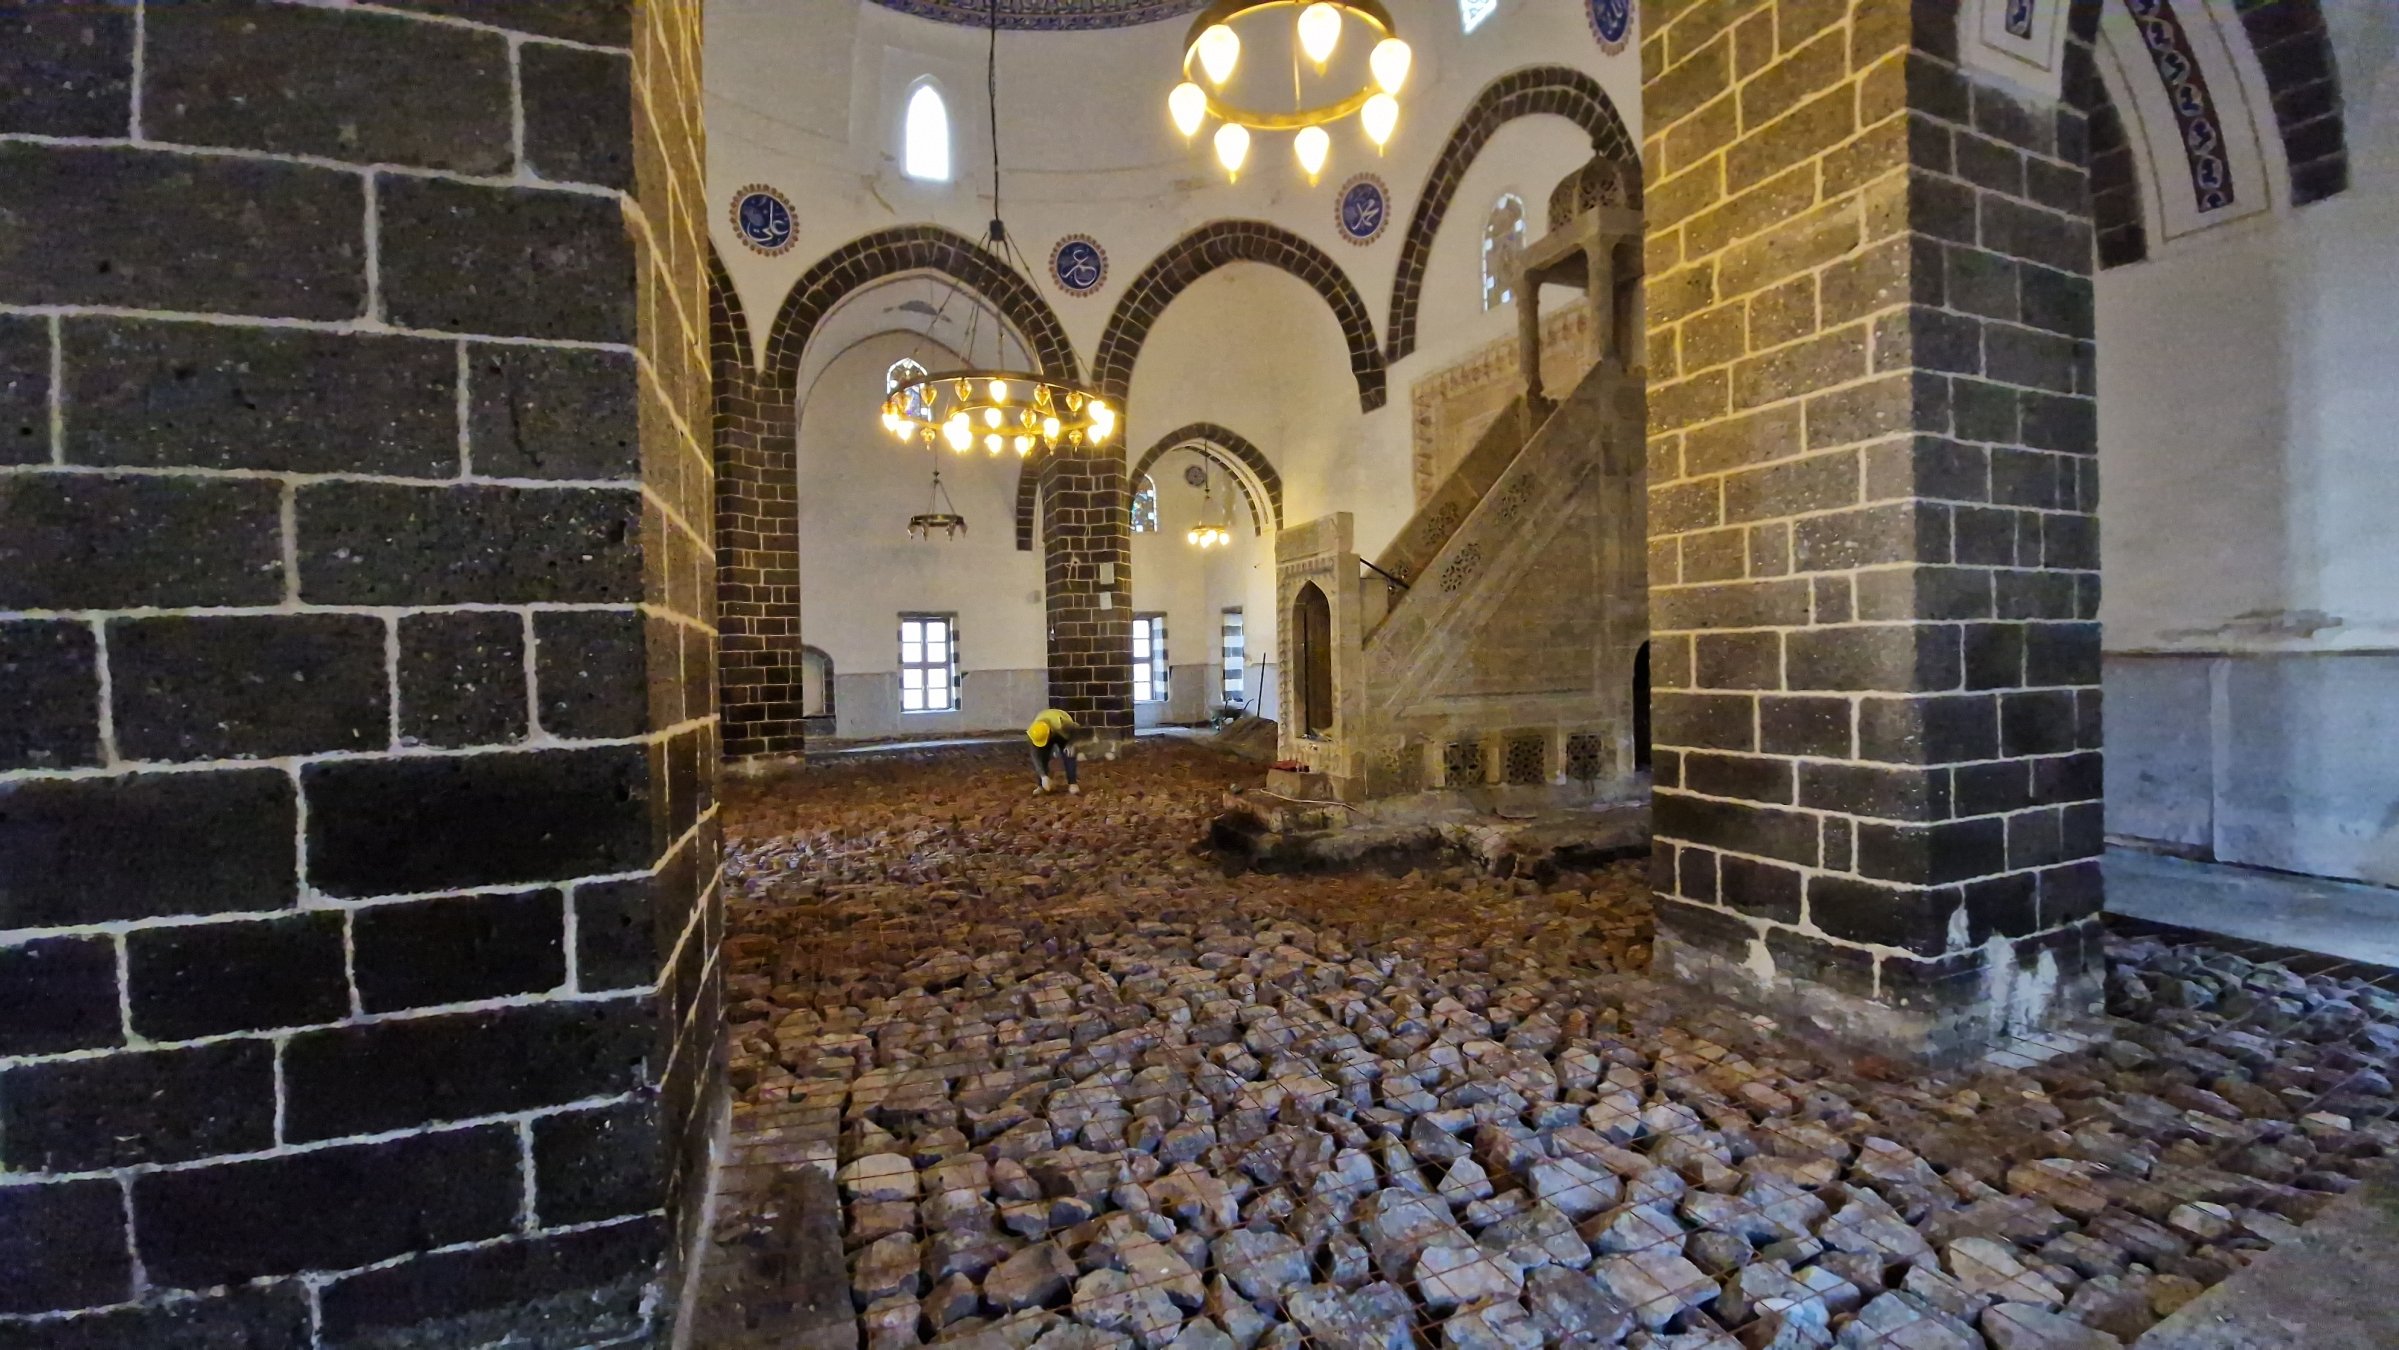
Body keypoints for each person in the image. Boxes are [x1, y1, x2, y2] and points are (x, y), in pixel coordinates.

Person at [1026, 708, 1085, 795]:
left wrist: (1071, 744)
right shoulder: (1033, 733)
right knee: (1042, 756)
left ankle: (1073, 783)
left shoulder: (1062, 725)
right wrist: (1043, 776)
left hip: (1062, 733)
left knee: (1069, 754)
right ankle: (1041, 785)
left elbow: (1076, 728)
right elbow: (1035, 756)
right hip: (1049, 732)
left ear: (1050, 732)